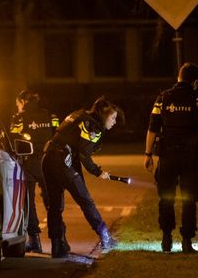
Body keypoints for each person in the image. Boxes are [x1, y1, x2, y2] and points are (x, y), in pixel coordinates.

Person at [144, 62, 198, 253]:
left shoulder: (163, 98)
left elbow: (152, 128)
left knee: (165, 197)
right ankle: (186, 242)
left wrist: (148, 154)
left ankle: (166, 240)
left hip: (167, 156)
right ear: (194, 81)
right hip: (190, 158)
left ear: (179, 77)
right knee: (189, 198)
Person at [42, 96, 120, 258]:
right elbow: (84, 154)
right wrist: (98, 171)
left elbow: (72, 145)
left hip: (48, 159)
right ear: (103, 115)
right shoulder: (93, 127)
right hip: (63, 162)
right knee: (86, 201)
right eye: (113, 118)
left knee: (55, 205)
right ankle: (105, 238)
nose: (114, 122)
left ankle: (57, 245)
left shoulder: (79, 114)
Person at [9, 90, 59, 253]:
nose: (17, 107)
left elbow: (13, 140)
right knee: (53, 203)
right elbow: (57, 136)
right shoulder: (51, 116)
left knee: (28, 203)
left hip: (29, 164)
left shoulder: (19, 118)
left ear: (22, 102)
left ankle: (35, 241)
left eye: (18, 104)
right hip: (49, 164)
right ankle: (59, 241)